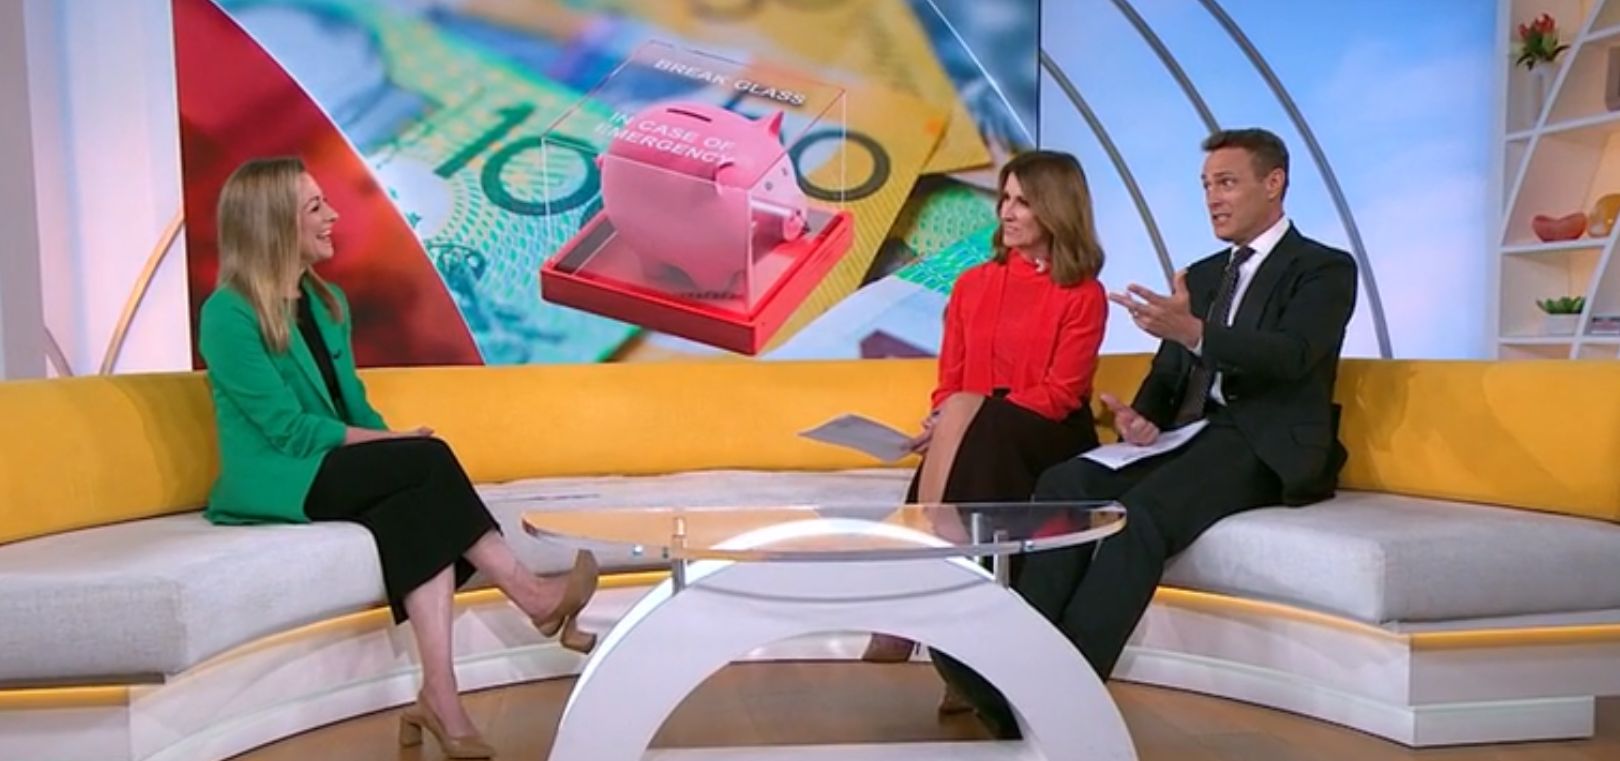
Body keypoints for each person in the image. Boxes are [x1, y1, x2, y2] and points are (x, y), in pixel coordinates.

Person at [935, 128, 1358, 739]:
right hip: (1190, 436)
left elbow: (1291, 356)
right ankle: (1015, 670)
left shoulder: (1322, 268)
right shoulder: (1204, 276)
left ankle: (1061, 697)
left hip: (1263, 443)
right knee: (1064, 484)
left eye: (1227, 183)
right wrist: (1142, 417)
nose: (1213, 198)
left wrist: (1195, 333)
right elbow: (1168, 374)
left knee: (1140, 518)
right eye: (1207, 185)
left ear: (1274, 183)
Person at [198, 156, 598, 760]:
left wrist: (394, 446)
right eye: (315, 207)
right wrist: (400, 448)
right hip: (280, 475)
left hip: (326, 464)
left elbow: (354, 406)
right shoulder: (228, 314)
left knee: (413, 502)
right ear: (274, 223)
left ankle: (441, 695)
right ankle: (532, 596)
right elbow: (287, 431)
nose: (333, 216)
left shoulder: (325, 301)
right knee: (427, 460)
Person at [861, 150, 1109, 685]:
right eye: (1005, 198)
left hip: (1048, 434)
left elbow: (1061, 394)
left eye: (1024, 202)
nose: (1006, 212)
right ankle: (964, 667)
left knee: (976, 419)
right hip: (979, 436)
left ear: (1056, 209)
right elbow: (949, 380)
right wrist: (943, 419)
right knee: (967, 420)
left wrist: (964, 417)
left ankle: (914, 582)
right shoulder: (972, 284)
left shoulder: (1083, 294)